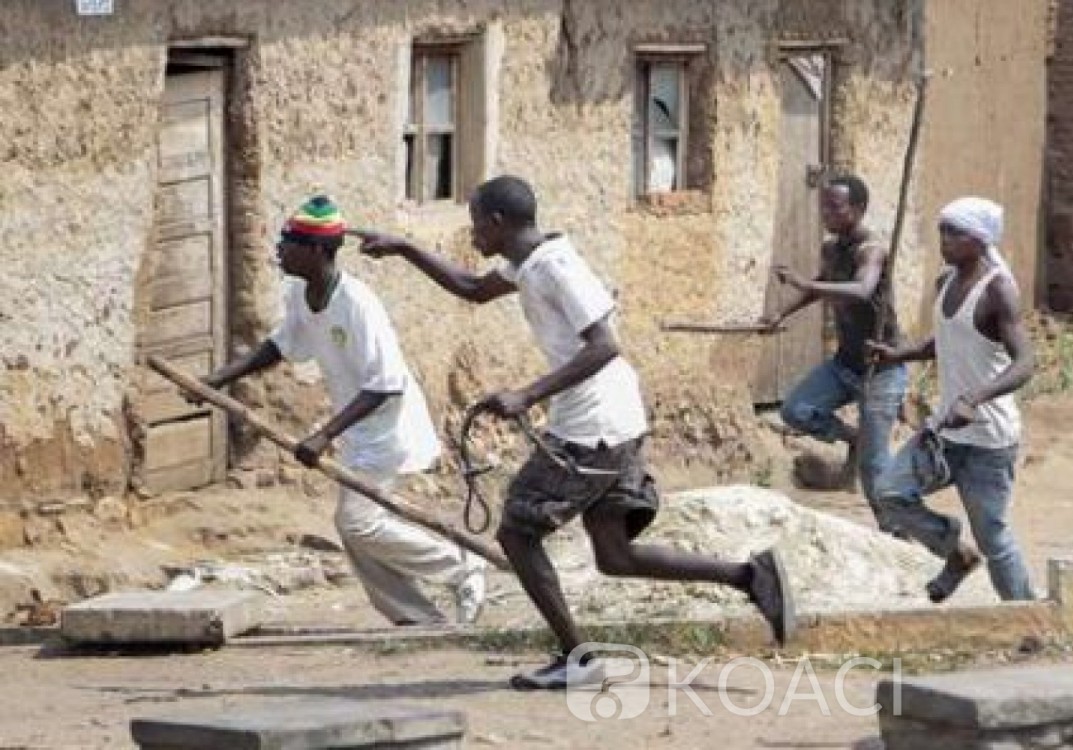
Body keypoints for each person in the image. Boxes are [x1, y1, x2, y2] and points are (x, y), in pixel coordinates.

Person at [353, 175, 794, 689]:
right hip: (610, 420)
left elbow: (605, 344)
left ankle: (577, 659)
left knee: (518, 534)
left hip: (595, 426)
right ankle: (749, 576)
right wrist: (405, 247)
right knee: (614, 554)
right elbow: (471, 289)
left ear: (497, 222)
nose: (471, 235)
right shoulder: (528, 263)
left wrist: (527, 395)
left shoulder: (556, 266)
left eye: (475, 224)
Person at [201, 195, 486, 626]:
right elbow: (281, 345)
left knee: (358, 524)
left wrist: (324, 434)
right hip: (359, 432)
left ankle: (462, 567)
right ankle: (417, 618)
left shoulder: (357, 304)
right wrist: (219, 379)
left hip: (389, 429)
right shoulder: (300, 292)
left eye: (289, 242)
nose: (279, 250)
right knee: (355, 531)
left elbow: (386, 385)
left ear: (317, 251)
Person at [868, 197, 1037, 603]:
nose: (945, 239)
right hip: (945, 432)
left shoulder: (998, 290)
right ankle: (954, 552)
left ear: (980, 240)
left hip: (989, 442)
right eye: (942, 229)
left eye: (955, 232)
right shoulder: (945, 282)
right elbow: (945, 341)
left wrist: (976, 399)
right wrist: (900, 354)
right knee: (889, 493)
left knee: (993, 538)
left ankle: (1026, 616)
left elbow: (1027, 362)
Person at [761, 175, 908, 528]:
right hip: (846, 363)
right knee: (796, 410)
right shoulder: (831, 248)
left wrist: (806, 282)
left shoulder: (871, 250)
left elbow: (862, 289)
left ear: (857, 210)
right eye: (823, 205)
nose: (826, 213)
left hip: (882, 367)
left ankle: (894, 533)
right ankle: (852, 437)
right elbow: (820, 288)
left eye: (835, 207)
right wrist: (782, 311)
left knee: (874, 467)